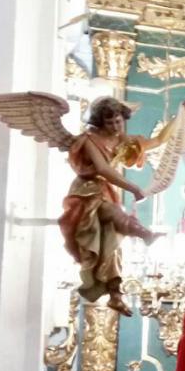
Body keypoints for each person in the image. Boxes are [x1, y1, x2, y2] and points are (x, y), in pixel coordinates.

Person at [59, 97, 176, 315]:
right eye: (110, 122)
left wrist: (180, 117)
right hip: (86, 192)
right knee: (114, 214)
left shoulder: (125, 141)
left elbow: (159, 140)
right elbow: (103, 169)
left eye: (118, 121)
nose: (115, 126)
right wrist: (133, 188)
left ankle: (115, 294)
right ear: (101, 122)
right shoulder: (89, 139)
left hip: (106, 192)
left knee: (112, 242)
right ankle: (145, 234)